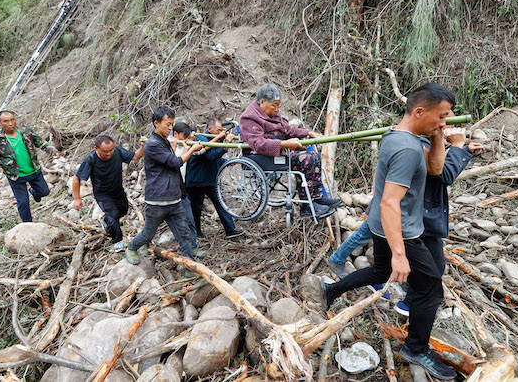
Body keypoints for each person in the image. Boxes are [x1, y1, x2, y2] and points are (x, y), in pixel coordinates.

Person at [321, 83, 458, 380]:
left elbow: (435, 170)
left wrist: (438, 136)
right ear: (420, 111)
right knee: (430, 288)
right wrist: (400, 254)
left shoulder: (400, 136)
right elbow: (389, 202)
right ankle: (417, 348)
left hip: (385, 227)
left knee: (379, 271)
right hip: (402, 231)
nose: (445, 123)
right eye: (441, 117)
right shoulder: (408, 149)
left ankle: (331, 290)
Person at [327, 126, 483, 306]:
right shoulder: (416, 145)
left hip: (393, 213)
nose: (449, 128)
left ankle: (335, 286)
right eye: (443, 120)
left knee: (380, 267)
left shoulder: (414, 142)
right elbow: (443, 173)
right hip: (398, 215)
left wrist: (464, 151)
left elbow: (440, 166)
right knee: (428, 267)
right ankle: (408, 303)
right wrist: (457, 145)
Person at [238, 83, 342, 219]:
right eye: (274, 105)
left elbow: (287, 130)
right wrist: (284, 143)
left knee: (314, 156)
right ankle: (306, 206)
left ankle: (316, 198)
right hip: (263, 156)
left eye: (278, 105)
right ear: (262, 102)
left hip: (281, 151)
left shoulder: (274, 114)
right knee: (306, 159)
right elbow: (259, 144)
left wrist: (308, 132)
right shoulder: (249, 118)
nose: (277, 108)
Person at [125, 106, 203, 265]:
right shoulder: (152, 144)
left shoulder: (165, 142)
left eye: (172, 124)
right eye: (167, 124)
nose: (170, 128)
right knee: (148, 234)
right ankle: (132, 247)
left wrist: (184, 149)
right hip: (157, 201)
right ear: (156, 123)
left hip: (174, 199)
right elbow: (175, 162)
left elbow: (173, 162)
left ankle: (190, 266)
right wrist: (192, 149)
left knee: (184, 235)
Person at [71, 135, 145, 251]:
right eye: (105, 151)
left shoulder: (118, 152)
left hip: (118, 191)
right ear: (96, 148)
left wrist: (143, 147)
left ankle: (105, 221)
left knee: (123, 211)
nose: (109, 153)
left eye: (111, 150)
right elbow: (76, 178)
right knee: (113, 216)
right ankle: (118, 243)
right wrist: (77, 199)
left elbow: (136, 156)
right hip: (103, 194)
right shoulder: (91, 160)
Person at [0, 110, 60, 222]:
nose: (10, 123)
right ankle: (28, 225)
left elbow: (40, 142)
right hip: (15, 176)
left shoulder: (26, 131)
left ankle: (33, 191)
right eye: (6, 121)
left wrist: (52, 151)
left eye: (12, 120)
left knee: (44, 192)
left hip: (34, 171)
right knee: (23, 202)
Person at [186, 118, 244, 239]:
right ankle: (195, 233)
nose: (221, 133)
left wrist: (229, 162)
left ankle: (230, 230)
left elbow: (215, 159)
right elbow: (211, 156)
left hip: (209, 180)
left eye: (222, 130)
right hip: (197, 180)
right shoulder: (201, 138)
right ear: (209, 129)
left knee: (221, 204)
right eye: (219, 130)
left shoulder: (213, 139)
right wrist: (225, 146)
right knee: (195, 209)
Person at [171, 122, 200, 256]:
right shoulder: (167, 146)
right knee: (153, 222)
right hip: (166, 190)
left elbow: (201, 150)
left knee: (190, 220)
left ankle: (193, 247)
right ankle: (142, 244)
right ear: (175, 134)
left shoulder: (185, 145)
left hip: (181, 189)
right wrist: (187, 148)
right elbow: (175, 163)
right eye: (184, 136)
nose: (186, 138)